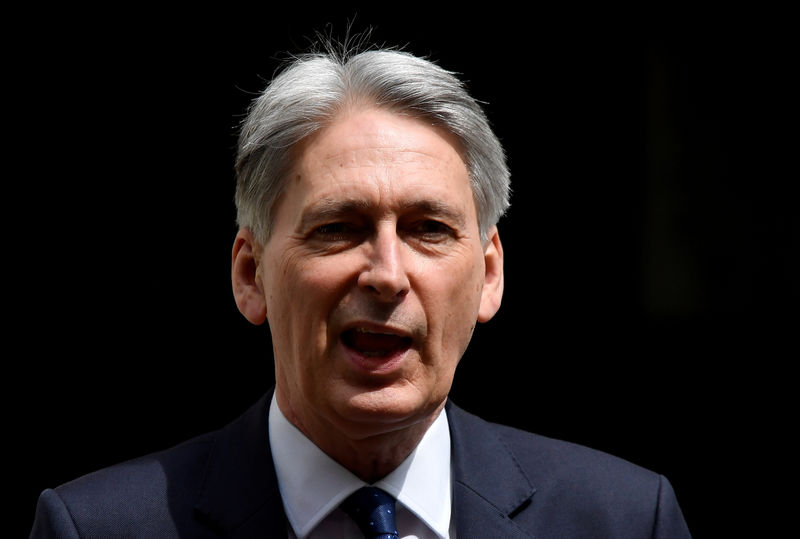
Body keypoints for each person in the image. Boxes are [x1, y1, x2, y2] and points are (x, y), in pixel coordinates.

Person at [30, 42, 692, 538]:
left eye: (428, 228)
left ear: (488, 274)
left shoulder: (624, 518)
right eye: (338, 228)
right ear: (250, 275)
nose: (386, 273)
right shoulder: (99, 527)